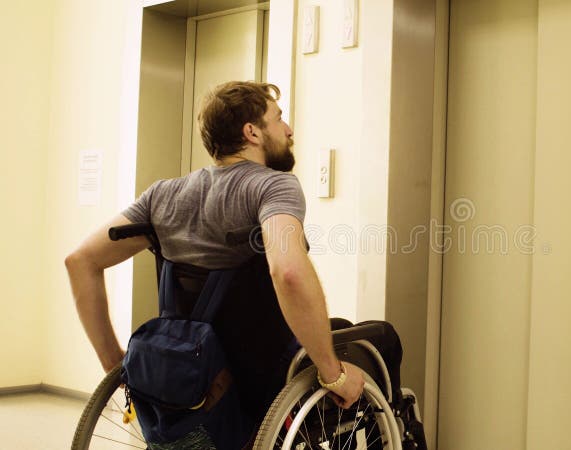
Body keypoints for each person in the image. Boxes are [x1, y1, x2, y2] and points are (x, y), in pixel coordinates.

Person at [65, 81, 403, 429]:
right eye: (279, 119)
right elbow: (287, 272)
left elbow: (80, 261)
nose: (289, 130)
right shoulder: (273, 186)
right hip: (260, 377)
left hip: (185, 372)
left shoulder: (161, 196)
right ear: (252, 132)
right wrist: (333, 374)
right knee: (382, 339)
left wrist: (114, 363)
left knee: (341, 330)